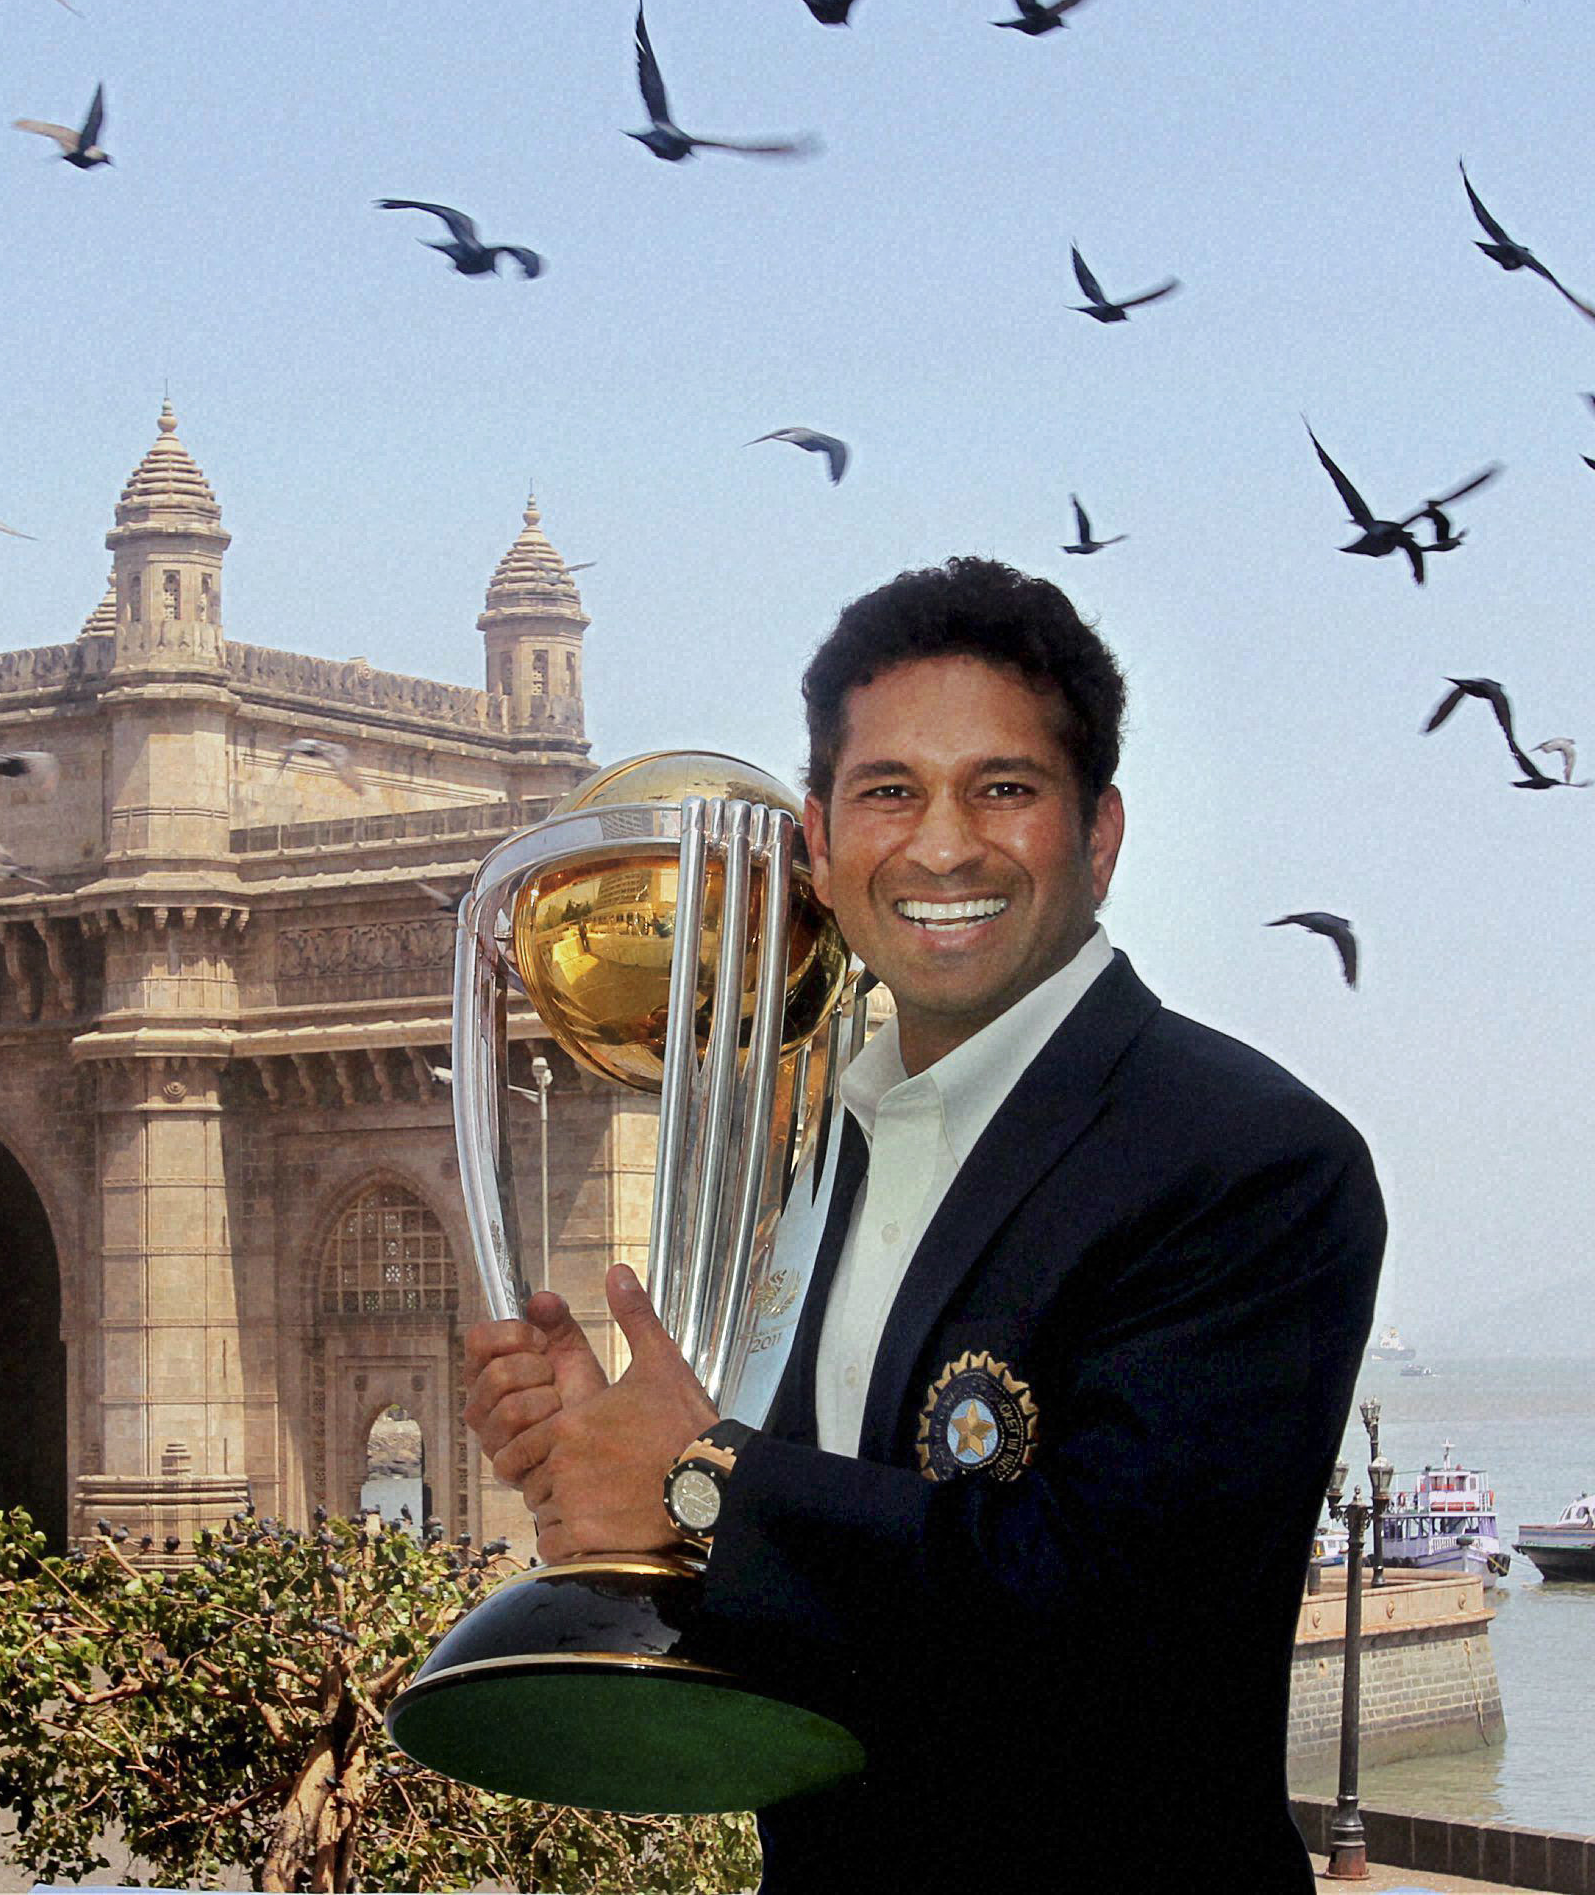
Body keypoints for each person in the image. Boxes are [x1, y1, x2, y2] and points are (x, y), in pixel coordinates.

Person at [463, 557, 1385, 1887]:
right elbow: (821, 1608)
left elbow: (1113, 1623)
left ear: (1099, 835)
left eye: (1002, 789)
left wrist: (704, 1478)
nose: (943, 845)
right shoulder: (824, 1154)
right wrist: (611, 1493)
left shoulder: (1246, 1160)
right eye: (890, 792)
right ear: (823, 851)